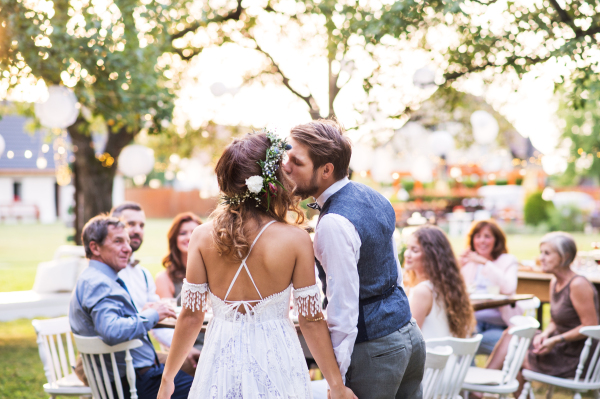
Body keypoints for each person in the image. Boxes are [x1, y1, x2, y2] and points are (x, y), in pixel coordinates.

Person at [157, 129, 356, 399]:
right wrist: (336, 385)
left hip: (220, 359)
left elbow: (191, 316)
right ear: (274, 180)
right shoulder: (296, 239)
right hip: (276, 359)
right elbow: (310, 320)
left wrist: (168, 378)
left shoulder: (201, 237)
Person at [283, 119, 426, 399]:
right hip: (410, 336)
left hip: (374, 351)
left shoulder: (333, 223)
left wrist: (337, 380)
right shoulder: (375, 196)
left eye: (296, 162)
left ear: (326, 170)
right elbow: (393, 274)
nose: (286, 167)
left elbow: (343, 307)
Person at [69, 215, 194, 399]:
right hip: (133, 381)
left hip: (136, 375)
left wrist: (141, 314)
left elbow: (110, 320)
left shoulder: (96, 277)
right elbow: (111, 331)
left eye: (127, 242)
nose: (127, 249)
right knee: (206, 387)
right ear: (95, 247)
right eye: (118, 241)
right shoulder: (99, 283)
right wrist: (152, 314)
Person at [485, 232, 599, 395]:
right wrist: (545, 335)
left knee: (515, 356)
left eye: (547, 253)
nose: (541, 258)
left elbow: (590, 326)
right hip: (558, 344)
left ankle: (478, 390)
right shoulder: (555, 282)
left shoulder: (578, 284)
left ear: (564, 256)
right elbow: (555, 319)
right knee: (513, 333)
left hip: (575, 355)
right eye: (541, 252)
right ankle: (482, 387)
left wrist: (555, 340)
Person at [459, 219, 520, 354]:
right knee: (462, 339)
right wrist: (458, 265)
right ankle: (468, 374)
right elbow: (455, 290)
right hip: (473, 322)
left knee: (465, 345)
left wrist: (485, 263)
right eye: (478, 236)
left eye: (487, 236)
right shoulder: (468, 263)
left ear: (496, 240)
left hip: (499, 324)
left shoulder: (507, 260)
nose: (482, 241)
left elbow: (509, 288)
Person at [404, 225, 475, 340]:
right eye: (408, 248)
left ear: (431, 256)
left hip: (430, 356)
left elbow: (410, 340)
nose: (407, 254)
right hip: (445, 355)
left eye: (415, 250)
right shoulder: (446, 286)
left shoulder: (422, 291)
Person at [153, 213, 204, 372]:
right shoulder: (164, 278)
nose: (189, 237)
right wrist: (186, 350)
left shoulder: (214, 273)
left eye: (194, 232)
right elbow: (168, 323)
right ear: (174, 238)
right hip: (186, 348)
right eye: (183, 233)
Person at [110, 202, 159, 311]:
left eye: (141, 226)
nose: (138, 231)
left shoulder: (144, 275)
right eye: (130, 224)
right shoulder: (104, 273)